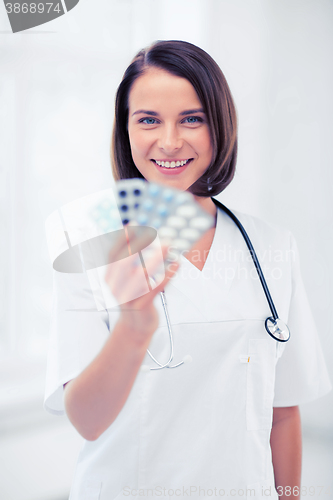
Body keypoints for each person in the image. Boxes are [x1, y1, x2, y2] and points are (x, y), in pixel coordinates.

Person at [44, 40, 332, 500]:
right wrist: (133, 328)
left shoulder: (271, 245)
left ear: (219, 126)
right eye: (149, 120)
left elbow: (282, 412)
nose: (171, 141)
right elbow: (87, 420)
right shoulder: (87, 242)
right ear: (126, 130)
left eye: (192, 119)